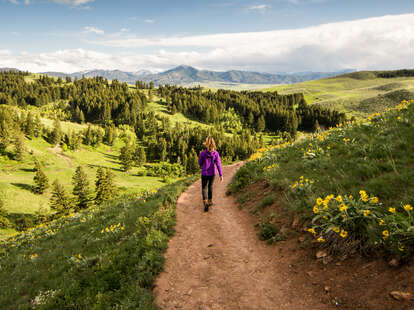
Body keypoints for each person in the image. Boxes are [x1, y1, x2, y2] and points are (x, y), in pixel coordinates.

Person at [198, 136, 223, 212]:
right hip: (212, 173)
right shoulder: (216, 154)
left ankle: (205, 202)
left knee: (204, 187)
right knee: (210, 186)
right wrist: (221, 175)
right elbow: (218, 164)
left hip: (204, 172)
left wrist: (203, 165)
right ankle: (210, 201)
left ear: (206, 144)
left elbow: (199, 163)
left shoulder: (203, 153)